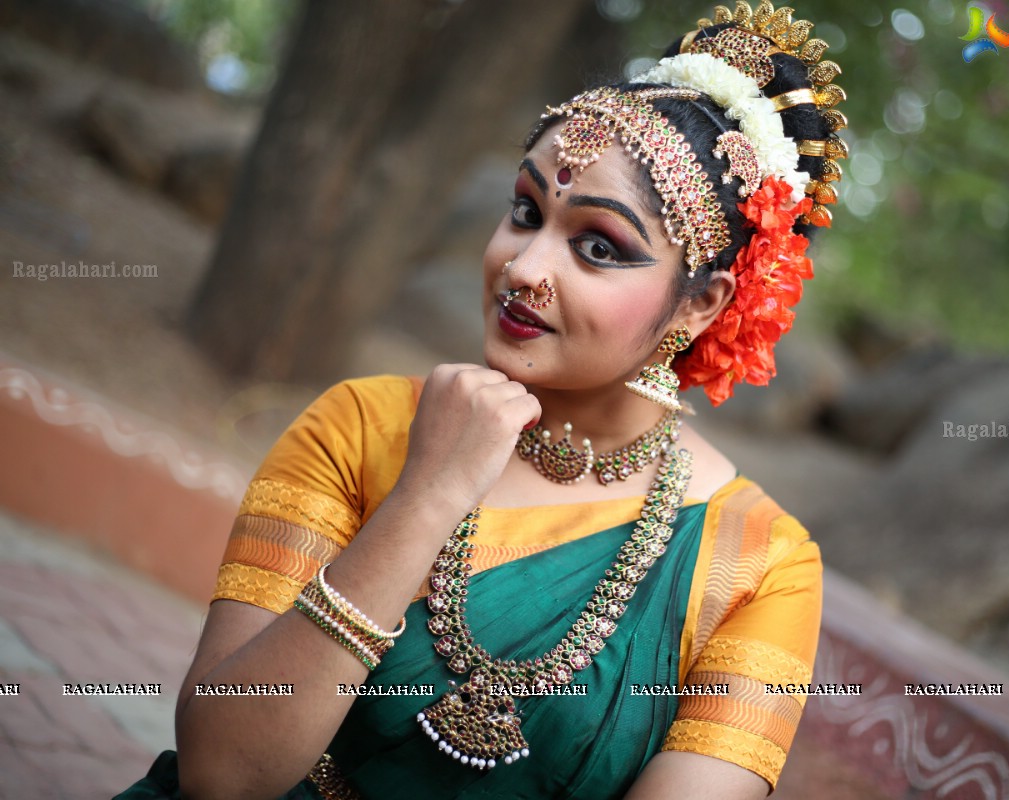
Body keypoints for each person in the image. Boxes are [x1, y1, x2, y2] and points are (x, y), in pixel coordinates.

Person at [118, 2, 847, 798]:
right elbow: (222, 771)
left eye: (599, 247)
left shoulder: (758, 564)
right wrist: (426, 496)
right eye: (526, 212)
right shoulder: (359, 427)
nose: (525, 266)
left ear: (700, 305)